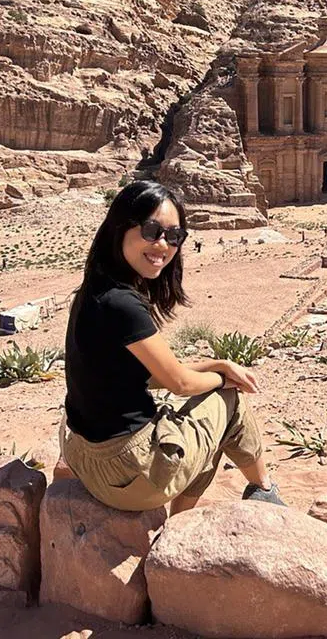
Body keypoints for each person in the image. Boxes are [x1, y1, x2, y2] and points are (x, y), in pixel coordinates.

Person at [62, 180, 282, 514]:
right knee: (228, 403)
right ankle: (263, 489)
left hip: (85, 458)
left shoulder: (94, 292)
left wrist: (218, 365)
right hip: (126, 472)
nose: (163, 245)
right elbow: (179, 384)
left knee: (204, 429)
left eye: (175, 236)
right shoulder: (123, 305)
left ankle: (181, 522)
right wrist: (225, 381)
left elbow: (154, 375)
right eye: (152, 231)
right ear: (120, 226)